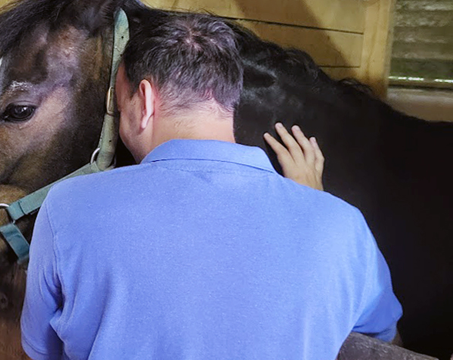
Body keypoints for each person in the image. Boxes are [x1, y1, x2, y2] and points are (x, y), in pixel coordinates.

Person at [20, 13, 402, 360]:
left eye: (122, 106)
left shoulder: (66, 207)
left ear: (147, 101)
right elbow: (385, 343)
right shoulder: (341, 224)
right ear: (228, 97)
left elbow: (43, 349)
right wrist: (312, 206)